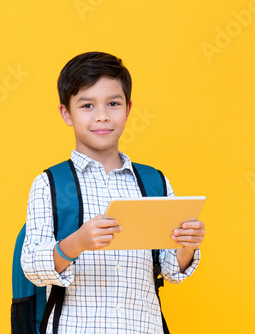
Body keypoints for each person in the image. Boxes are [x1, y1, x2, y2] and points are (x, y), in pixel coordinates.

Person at [20, 51, 206, 333]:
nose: (103, 116)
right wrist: (77, 242)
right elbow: (33, 265)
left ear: (128, 109)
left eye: (113, 103)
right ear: (66, 113)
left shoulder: (154, 182)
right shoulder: (50, 183)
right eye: (87, 106)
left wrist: (187, 245)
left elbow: (171, 270)